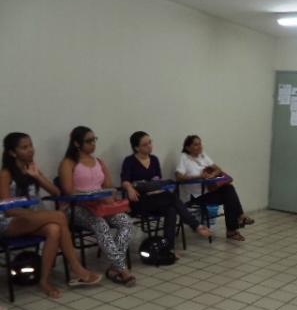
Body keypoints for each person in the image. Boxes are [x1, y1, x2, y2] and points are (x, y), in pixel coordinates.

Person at [1, 132, 101, 298]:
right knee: (60, 217)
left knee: (54, 229)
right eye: (24, 147)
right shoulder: (6, 174)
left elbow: (55, 191)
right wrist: (33, 215)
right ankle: (76, 268)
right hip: (9, 222)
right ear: (12, 152)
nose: (30, 150)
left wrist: (37, 176)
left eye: (31, 146)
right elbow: (7, 209)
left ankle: (45, 280)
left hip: (31, 219)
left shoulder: (32, 168)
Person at [58, 126, 136, 287]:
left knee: (126, 222)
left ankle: (114, 267)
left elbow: (109, 186)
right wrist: (93, 196)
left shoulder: (99, 161)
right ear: (77, 144)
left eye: (95, 140)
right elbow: (69, 191)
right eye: (89, 141)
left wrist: (108, 196)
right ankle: (123, 269)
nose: (93, 144)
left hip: (101, 206)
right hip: (77, 207)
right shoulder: (68, 163)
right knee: (100, 225)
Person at [121, 131, 212, 254]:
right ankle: (196, 225)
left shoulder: (154, 160)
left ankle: (169, 248)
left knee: (171, 209)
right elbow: (125, 180)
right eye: (145, 144)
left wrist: (156, 188)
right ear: (136, 147)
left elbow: (157, 181)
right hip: (140, 201)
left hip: (158, 198)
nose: (149, 146)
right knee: (170, 197)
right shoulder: (129, 161)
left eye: (150, 142)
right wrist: (130, 188)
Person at [175, 135, 253, 241]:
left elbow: (218, 169)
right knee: (229, 196)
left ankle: (237, 221)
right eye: (196, 144)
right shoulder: (184, 158)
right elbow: (178, 177)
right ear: (188, 147)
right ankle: (234, 226)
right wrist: (198, 177)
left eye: (200, 143)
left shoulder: (203, 156)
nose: (199, 146)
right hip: (195, 196)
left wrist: (212, 175)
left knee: (229, 189)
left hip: (208, 191)